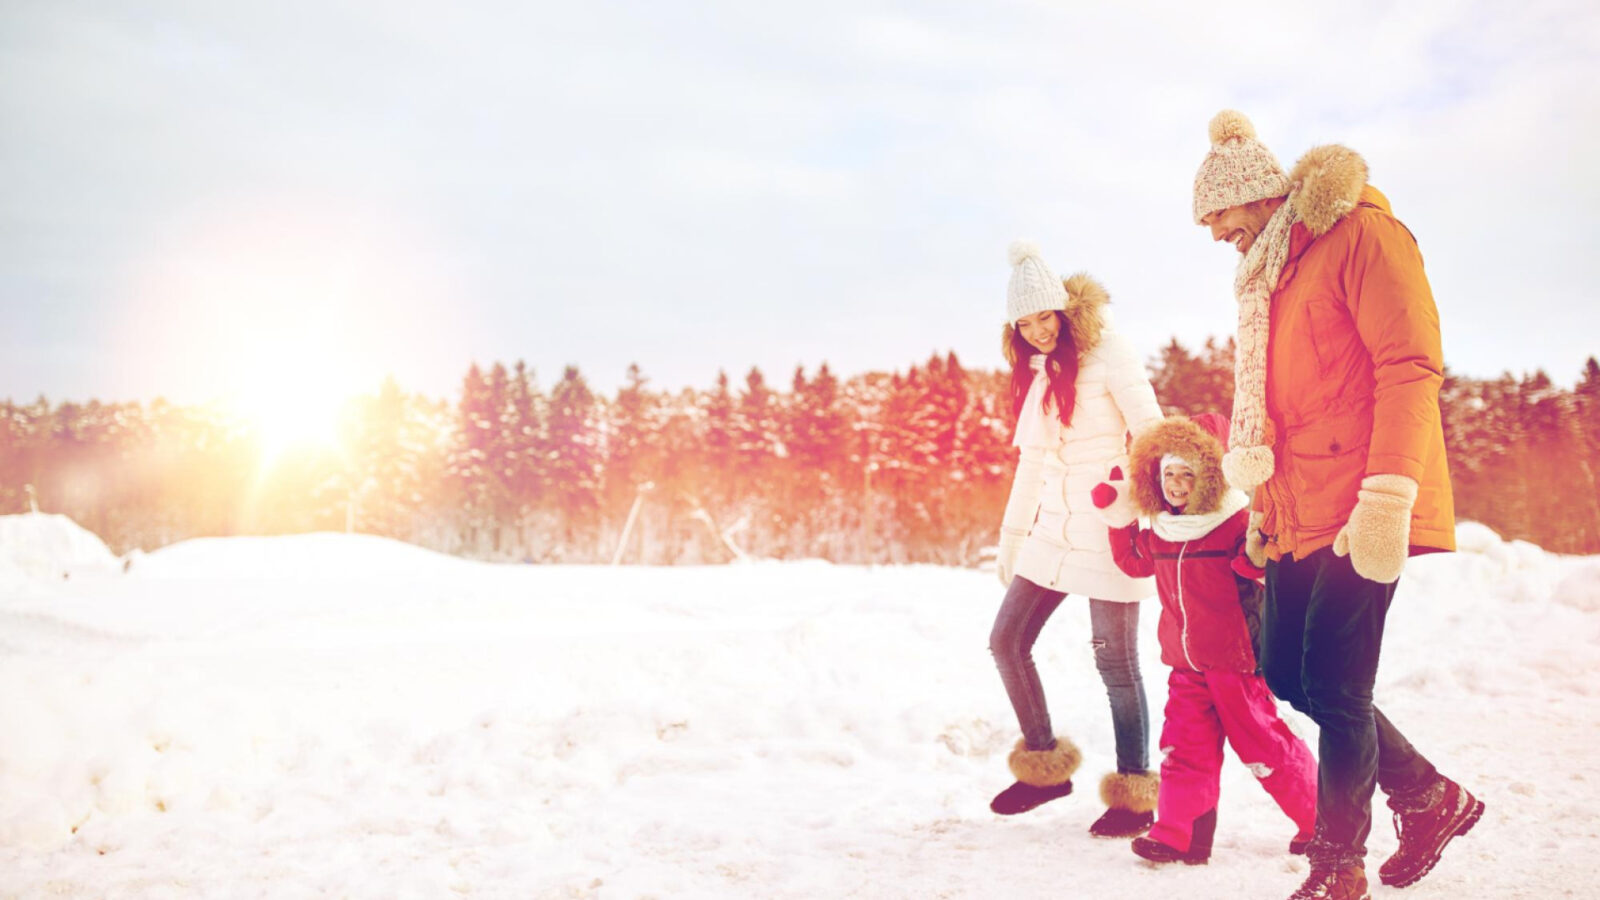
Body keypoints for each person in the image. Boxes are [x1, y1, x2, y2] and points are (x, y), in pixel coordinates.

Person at [1191, 110, 1482, 899]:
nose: (1214, 232)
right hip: (1299, 509)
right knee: (1288, 672)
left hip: (1362, 502)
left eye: (1218, 215)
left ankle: (1337, 863)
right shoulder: (1273, 280)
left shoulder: (1362, 237)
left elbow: (1410, 365)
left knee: (1341, 688)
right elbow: (1285, 407)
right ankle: (1427, 795)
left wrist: (1388, 495)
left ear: (1253, 197)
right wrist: (1265, 512)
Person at [988, 241, 1164, 838]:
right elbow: (1031, 465)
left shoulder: (1110, 352)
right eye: (1025, 322)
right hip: (1051, 535)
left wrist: (1142, 508)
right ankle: (1044, 770)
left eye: (1046, 317)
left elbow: (1153, 436)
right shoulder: (1035, 374)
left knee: (1115, 662)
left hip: (1110, 527)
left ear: (1065, 311)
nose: (1038, 331)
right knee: (1007, 640)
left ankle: (1135, 794)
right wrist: (1013, 535)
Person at [1091, 412, 1317, 865]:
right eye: (1168, 474)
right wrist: (1119, 520)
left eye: (1187, 474)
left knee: (1265, 746)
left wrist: (1257, 550)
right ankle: (1178, 834)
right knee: (1183, 747)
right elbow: (1136, 563)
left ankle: (1322, 821)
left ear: (1210, 476)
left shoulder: (1233, 521)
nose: (1175, 484)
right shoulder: (1162, 527)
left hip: (1235, 661)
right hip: (1184, 663)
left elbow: (1258, 567)